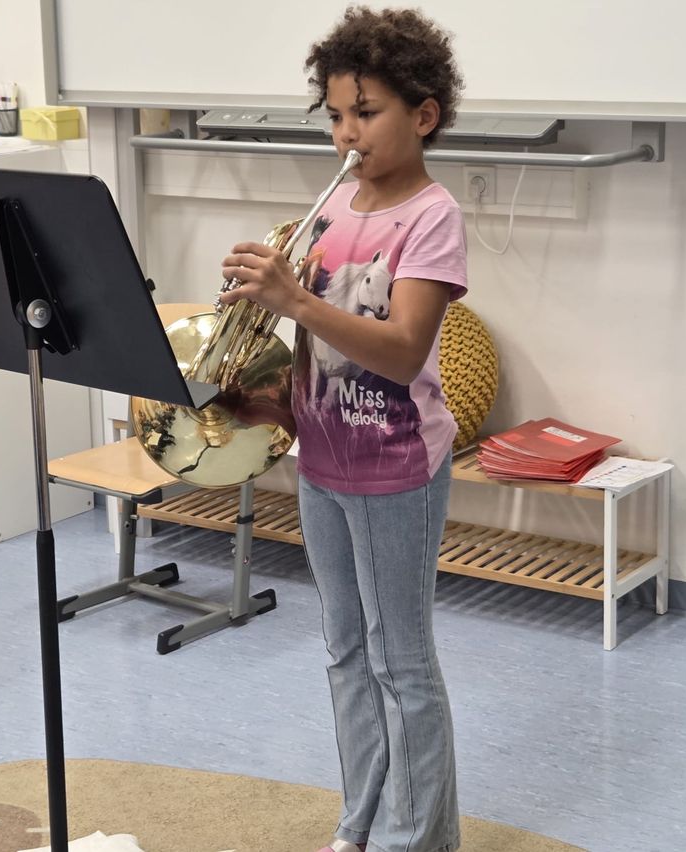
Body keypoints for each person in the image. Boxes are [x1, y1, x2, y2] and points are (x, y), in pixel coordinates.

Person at [220, 7, 467, 851]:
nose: (347, 135)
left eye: (366, 112)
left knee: (402, 662)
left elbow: (399, 354)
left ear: (423, 114)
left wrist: (293, 295)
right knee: (343, 653)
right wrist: (267, 406)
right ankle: (359, 820)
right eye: (334, 115)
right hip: (323, 462)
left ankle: (419, 836)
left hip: (398, 468)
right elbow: (316, 358)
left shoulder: (432, 217)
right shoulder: (326, 215)